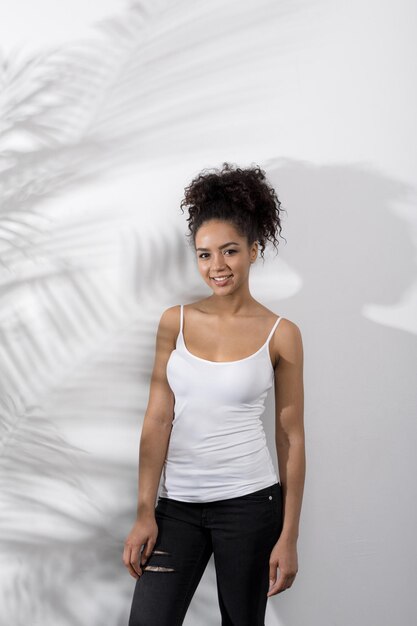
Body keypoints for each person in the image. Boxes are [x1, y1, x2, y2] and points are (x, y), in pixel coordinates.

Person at [123, 162, 305, 626]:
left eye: (229, 251)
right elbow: (157, 420)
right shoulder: (174, 322)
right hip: (178, 508)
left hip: (250, 506)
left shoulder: (281, 334)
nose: (217, 267)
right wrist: (146, 512)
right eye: (204, 255)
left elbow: (291, 438)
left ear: (254, 250)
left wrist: (289, 535)